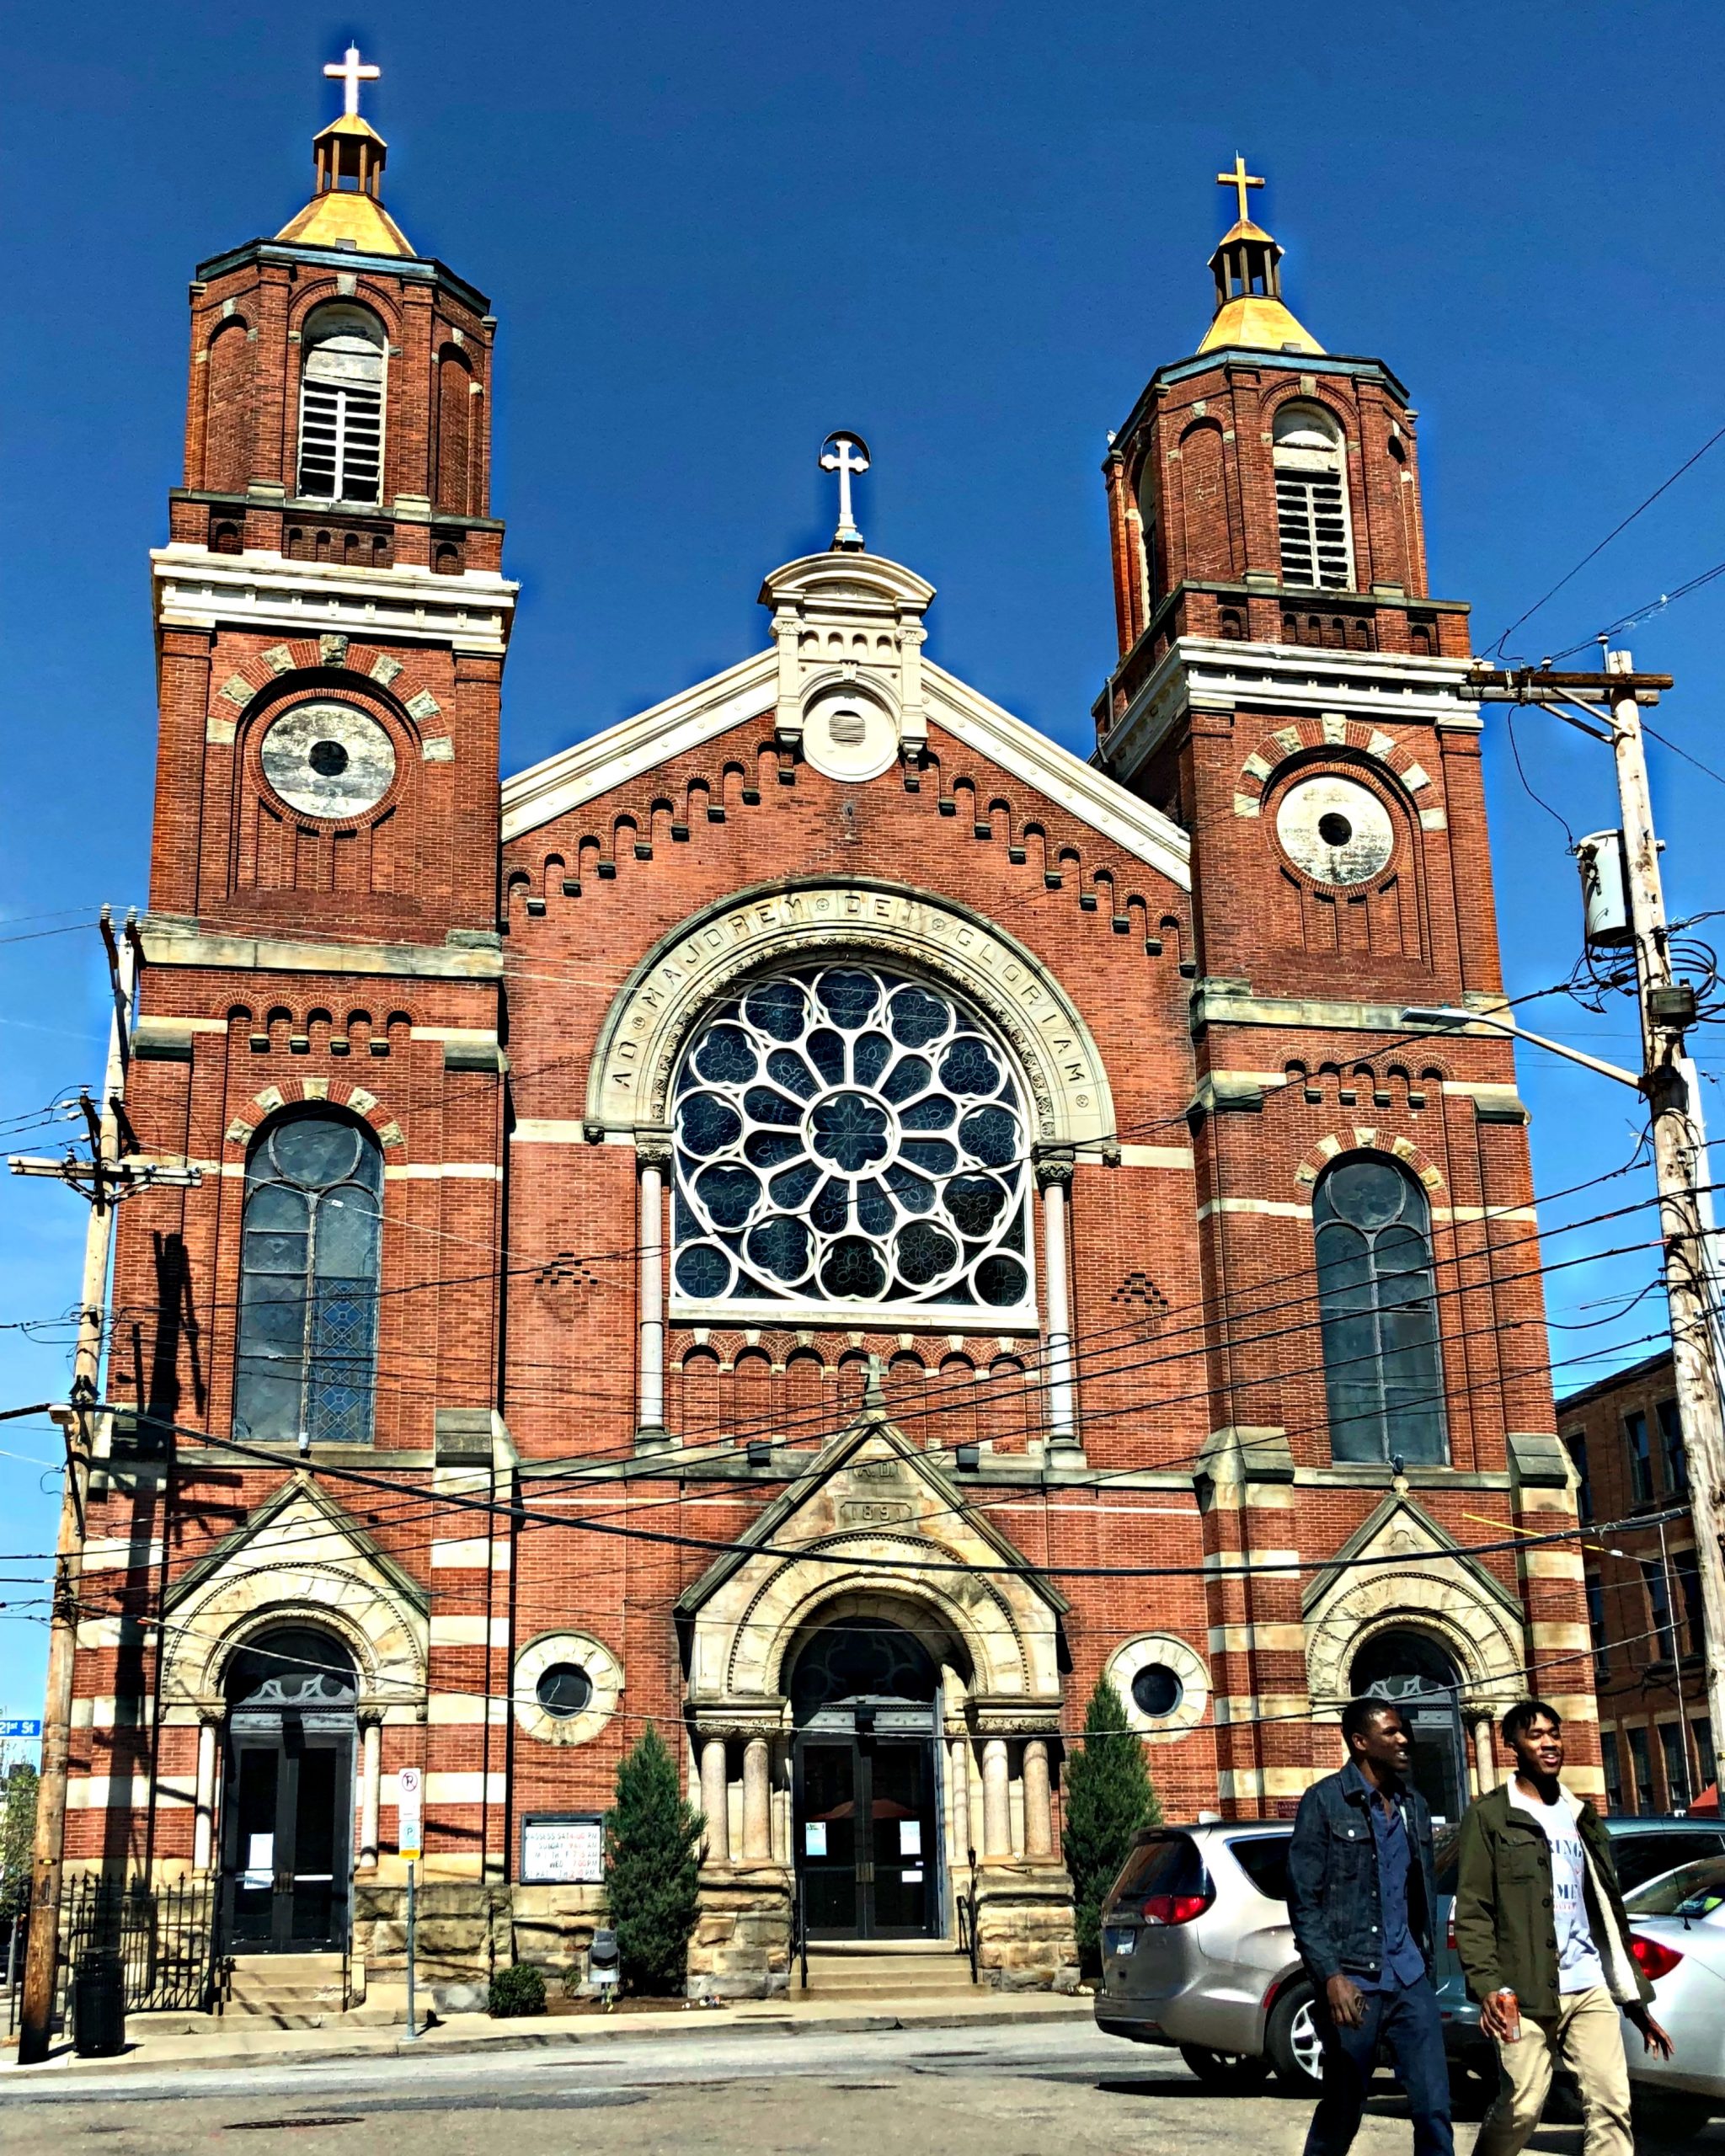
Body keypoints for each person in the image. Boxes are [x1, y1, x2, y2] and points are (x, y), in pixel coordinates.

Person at [1453, 1698, 1672, 2156]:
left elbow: (1606, 1912)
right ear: (1511, 1744)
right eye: (1536, 1735)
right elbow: (1473, 1910)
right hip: (1523, 1991)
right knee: (1522, 2107)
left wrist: (1633, 2001)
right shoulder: (1490, 1816)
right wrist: (1488, 1986)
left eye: (1555, 1734)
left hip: (1589, 1983)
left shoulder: (1580, 1815)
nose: (1550, 1743)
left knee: (1612, 2104)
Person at [1288, 1699, 1453, 2156]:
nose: (1404, 1740)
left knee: (1433, 2106)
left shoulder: (1413, 1805)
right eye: (1391, 1733)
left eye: (1404, 1731)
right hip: (1354, 1977)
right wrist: (1331, 1977)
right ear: (1360, 1742)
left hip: (1409, 1975)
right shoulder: (1324, 1802)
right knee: (1345, 2105)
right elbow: (1304, 1901)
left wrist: (1425, 1963)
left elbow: (1417, 1891)